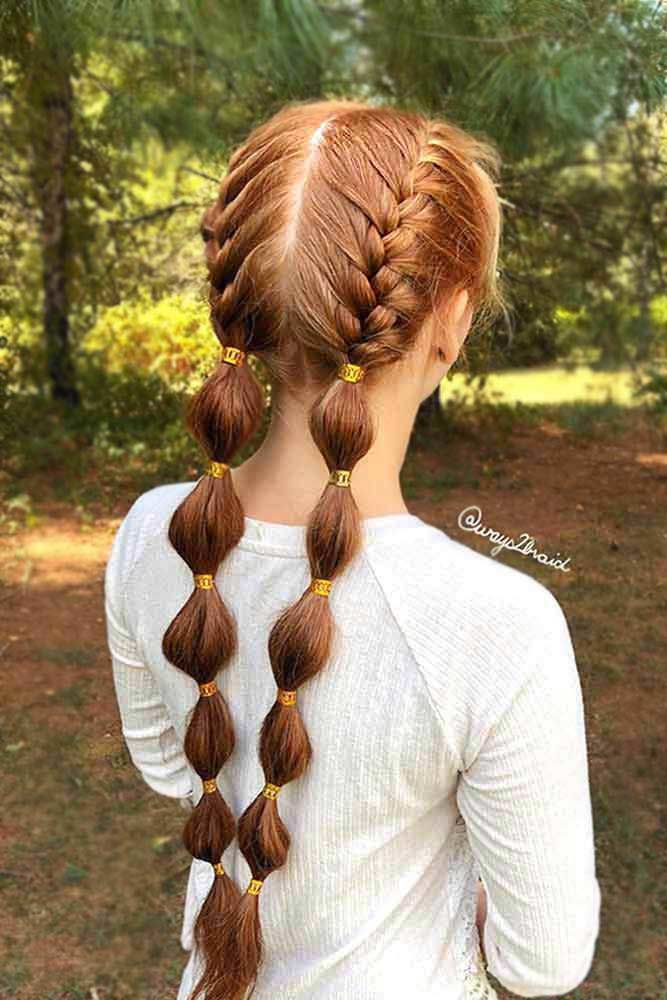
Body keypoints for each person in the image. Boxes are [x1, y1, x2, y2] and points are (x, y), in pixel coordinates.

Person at [104, 99, 601, 1000]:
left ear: (242, 306)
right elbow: (544, 960)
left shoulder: (150, 537)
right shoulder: (499, 626)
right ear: (448, 319)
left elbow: (173, 764)